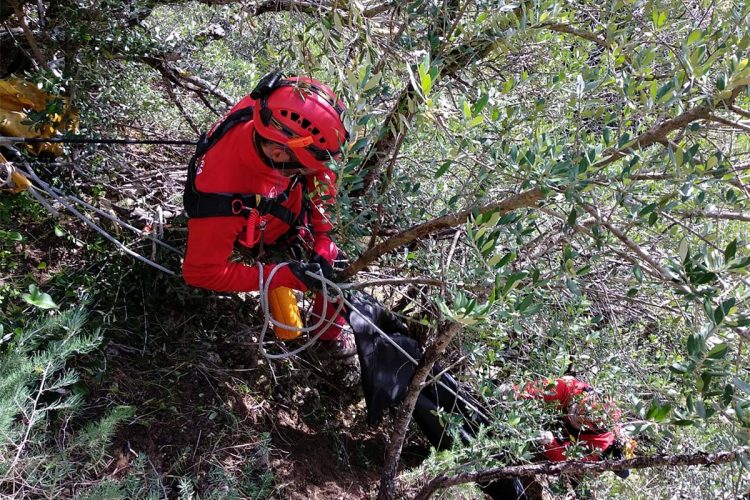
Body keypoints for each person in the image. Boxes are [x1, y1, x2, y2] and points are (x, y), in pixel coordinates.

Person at [182, 71, 355, 358]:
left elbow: (322, 169)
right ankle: (327, 343)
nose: (311, 172)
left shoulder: (273, 105)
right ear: (278, 153)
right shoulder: (221, 198)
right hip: (262, 233)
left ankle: (326, 335)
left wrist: (324, 231)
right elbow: (200, 272)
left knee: (332, 259)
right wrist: (279, 276)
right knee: (334, 271)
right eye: (304, 166)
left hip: (281, 210)